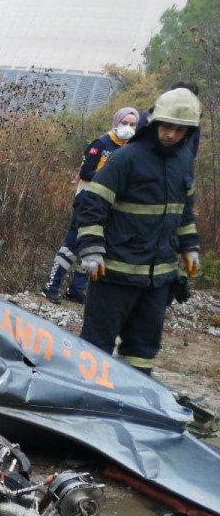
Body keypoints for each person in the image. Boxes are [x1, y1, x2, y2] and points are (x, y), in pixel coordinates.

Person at [75, 88, 202, 373]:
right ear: (155, 123)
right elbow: (93, 205)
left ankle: (129, 404)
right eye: (167, 127)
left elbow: (184, 212)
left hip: (158, 280)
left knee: (142, 351)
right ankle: (86, 404)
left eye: (179, 130)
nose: (170, 135)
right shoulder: (126, 159)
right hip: (115, 274)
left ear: (188, 132)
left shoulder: (184, 164)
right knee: (96, 346)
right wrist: (92, 250)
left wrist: (189, 247)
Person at [42, 107, 140, 304]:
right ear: (117, 122)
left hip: (108, 205)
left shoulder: (130, 148)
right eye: (125, 123)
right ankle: (51, 286)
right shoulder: (101, 143)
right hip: (87, 200)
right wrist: (110, 178)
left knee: (93, 246)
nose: (128, 128)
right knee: (72, 244)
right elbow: (86, 172)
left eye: (132, 124)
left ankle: (76, 289)